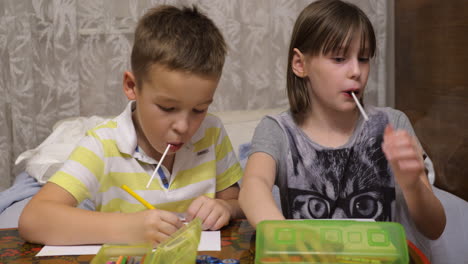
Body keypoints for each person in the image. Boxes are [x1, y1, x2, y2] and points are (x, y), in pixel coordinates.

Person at [19, 5, 244, 246]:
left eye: (199, 109)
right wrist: (126, 228)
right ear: (131, 86)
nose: (183, 126)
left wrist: (225, 208)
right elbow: (33, 220)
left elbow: (238, 202)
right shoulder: (103, 144)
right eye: (168, 108)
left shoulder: (211, 132)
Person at [239, 0, 446, 241]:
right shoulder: (278, 130)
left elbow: (435, 228)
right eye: (339, 58)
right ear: (300, 64)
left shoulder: (393, 123)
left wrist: (412, 186)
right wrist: (289, 240)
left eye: (364, 58)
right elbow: (253, 187)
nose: (356, 71)